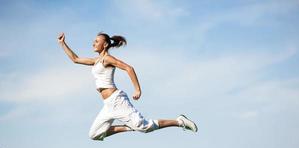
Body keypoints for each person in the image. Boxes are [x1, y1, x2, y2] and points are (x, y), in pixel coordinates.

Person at [57, 32, 198, 141]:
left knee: (145, 127)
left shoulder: (107, 59)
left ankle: (179, 121)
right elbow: (75, 59)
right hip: (107, 105)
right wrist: (63, 44)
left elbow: (129, 68)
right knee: (94, 134)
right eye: (94, 41)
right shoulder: (96, 61)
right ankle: (129, 127)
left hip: (117, 101)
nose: (93, 43)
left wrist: (137, 89)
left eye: (97, 41)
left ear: (105, 45)